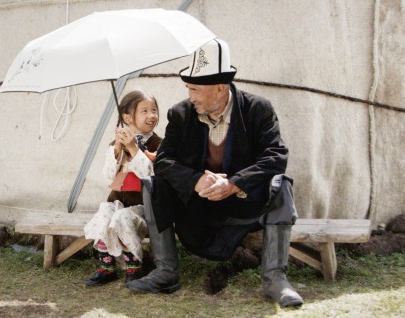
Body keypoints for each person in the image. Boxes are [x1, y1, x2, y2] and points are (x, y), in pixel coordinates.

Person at [125, 39, 304, 307]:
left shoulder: (258, 109)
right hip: (197, 208)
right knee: (154, 184)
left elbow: (276, 156)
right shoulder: (181, 114)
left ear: (220, 88)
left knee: (282, 184)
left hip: (244, 205)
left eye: (195, 89)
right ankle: (166, 273)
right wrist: (195, 180)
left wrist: (234, 184)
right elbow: (163, 161)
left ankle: (275, 279)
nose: (191, 96)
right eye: (189, 88)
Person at [83, 90, 162, 286]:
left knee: (122, 217)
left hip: (145, 207)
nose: (152, 115)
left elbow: (149, 174)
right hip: (118, 200)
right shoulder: (116, 143)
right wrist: (118, 148)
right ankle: (106, 267)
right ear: (127, 118)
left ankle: (134, 267)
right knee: (104, 214)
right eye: (144, 111)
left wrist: (134, 148)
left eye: (154, 110)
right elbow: (108, 175)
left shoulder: (159, 144)